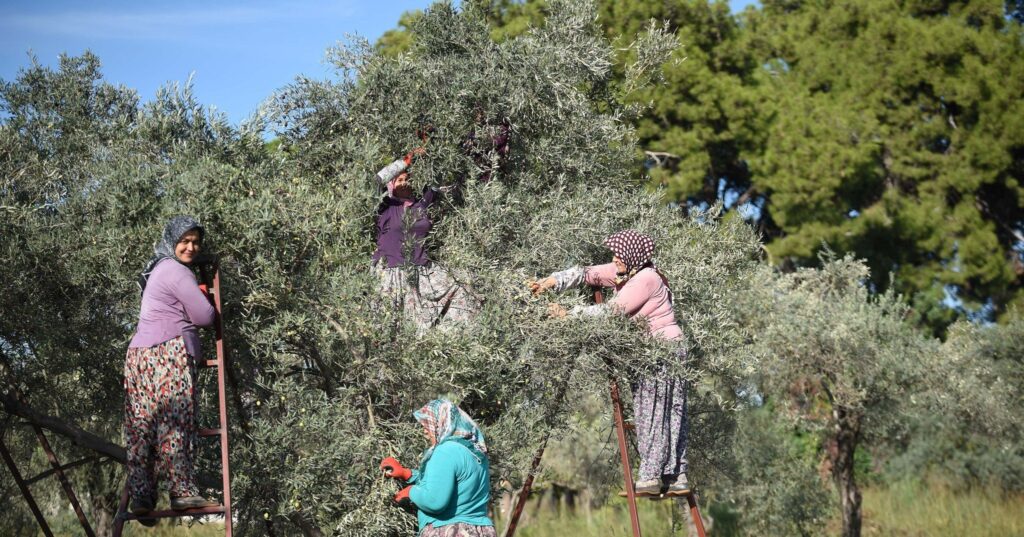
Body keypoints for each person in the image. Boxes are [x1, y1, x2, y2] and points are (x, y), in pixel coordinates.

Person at [528, 230, 690, 496]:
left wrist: (567, 315)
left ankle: (651, 478)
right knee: (668, 413)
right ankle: (675, 476)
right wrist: (552, 281)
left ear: (632, 256)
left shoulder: (645, 279)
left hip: (661, 352)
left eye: (619, 253)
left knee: (653, 413)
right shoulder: (627, 271)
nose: (614, 258)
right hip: (666, 350)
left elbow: (611, 312)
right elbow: (587, 273)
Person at [125, 216, 219, 521]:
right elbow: (205, 316)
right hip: (169, 352)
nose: (190, 247)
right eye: (185, 241)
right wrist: (208, 301)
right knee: (175, 421)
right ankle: (182, 492)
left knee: (142, 428)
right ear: (172, 241)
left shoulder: (157, 268)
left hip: (138, 356)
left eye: (195, 242)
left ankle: (142, 496)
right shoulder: (176, 271)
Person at [371, 137, 478, 330]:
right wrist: (407, 160)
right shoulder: (385, 207)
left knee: (463, 286)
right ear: (391, 185)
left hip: (422, 274)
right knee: (388, 331)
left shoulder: (422, 204)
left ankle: (452, 344)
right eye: (399, 180)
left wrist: (437, 150)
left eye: (407, 179)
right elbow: (374, 181)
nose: (404, 183)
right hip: (390, 275)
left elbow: (439, 178)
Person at [380, 399, 495, 537]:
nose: (425, 431)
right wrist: (407, 474)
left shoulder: (445, 451)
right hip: (481, 530)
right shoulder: (476, 453)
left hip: (452, 530)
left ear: (441, 422)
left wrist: (411, 492)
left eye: (428, 424)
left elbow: (435, 501)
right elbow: (448, 483)